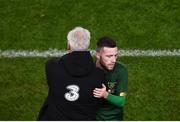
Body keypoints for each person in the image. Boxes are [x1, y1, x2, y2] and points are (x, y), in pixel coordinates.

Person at [37, 27, 105, 120]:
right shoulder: (99, 75)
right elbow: (100, 103)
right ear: (88, 44)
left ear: (68, 45)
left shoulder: (52, 67)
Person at [93, 36, 128, 120]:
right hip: (93, 117)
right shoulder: (89, 69)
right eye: (109, 56)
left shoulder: (121, 70)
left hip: (114, 118)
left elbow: (121, 101)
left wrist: (105, 94)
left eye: (115, 55)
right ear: (98, 55)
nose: (114, 60)